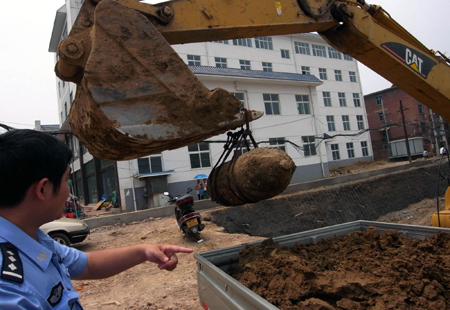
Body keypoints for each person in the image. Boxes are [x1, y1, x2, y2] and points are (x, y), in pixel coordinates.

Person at [0, 129, 193, 309]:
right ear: (43, 189)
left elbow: (87, 265)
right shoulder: (8, 291)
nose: (68, 191)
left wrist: (145, 251)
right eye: (67, 181)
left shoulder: (34, 238)